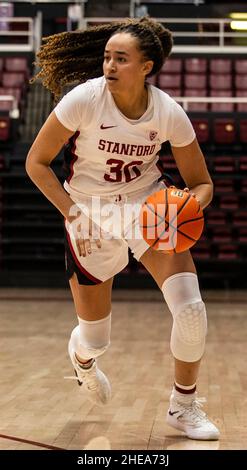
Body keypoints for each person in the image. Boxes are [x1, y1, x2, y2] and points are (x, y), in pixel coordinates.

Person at [26, 17, 219, 441]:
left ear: (146, 66)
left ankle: (183, 406)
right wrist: (73, 214)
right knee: (95, 339)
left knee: (190, 310)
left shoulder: (168, 112)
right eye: (107, 57)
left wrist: (187, 204)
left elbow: (202, 184)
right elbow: (35, 164)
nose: (109, 65)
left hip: (146, 204)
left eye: (121, 58)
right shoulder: (84, 100)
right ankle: (83, 361)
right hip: (88, 211)